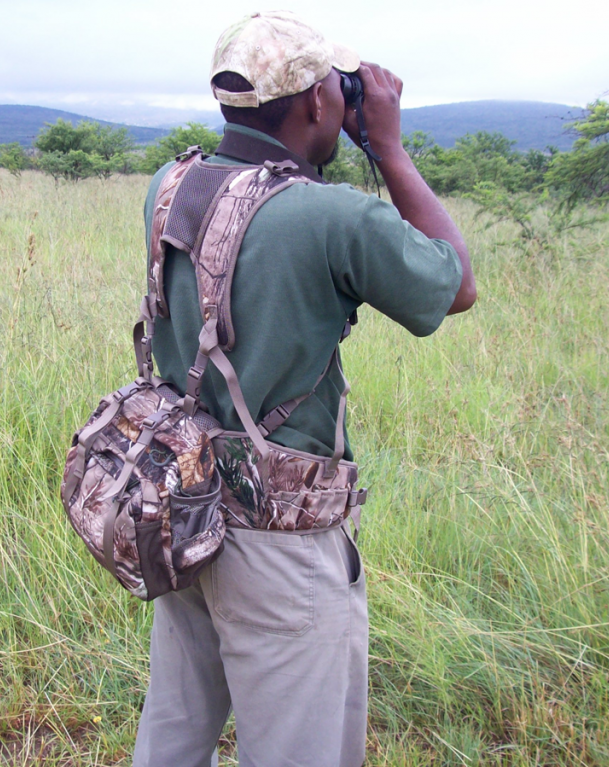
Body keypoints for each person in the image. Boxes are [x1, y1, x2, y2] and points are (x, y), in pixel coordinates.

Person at [133, 11, 476, 767]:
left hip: (184, 505)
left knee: (176, 724)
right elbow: (455, 285)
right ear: (319, 104)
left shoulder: (170, 181)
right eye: (336, 87)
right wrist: (384, 144)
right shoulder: (330, 215)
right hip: (280, 542)